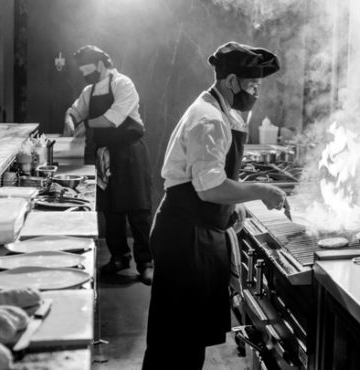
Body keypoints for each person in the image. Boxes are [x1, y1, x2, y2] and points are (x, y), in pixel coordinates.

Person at [142, 41, 287, 369]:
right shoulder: (209, 119)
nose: (255, 93)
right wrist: (261, 190)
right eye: (252, 85)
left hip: (196, 232)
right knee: (176, 342)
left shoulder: (220, 111)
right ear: (231, 81)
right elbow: (209, 188)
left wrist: (229, 208)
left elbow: (206, 180)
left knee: (186, 340)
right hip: (185, 238)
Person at [63, 45, 154, 285]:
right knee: (111, 209)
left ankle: (146, 262)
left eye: (87, 69)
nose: (85, 75)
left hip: (130, 152)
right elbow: (74, 110)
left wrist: (88, 125)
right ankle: (119, 258)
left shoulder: (123, 84)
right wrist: (70, 120)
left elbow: (113, 119)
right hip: (105, 154)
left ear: (101, 64)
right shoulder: (89, 90)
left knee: (138, 210)